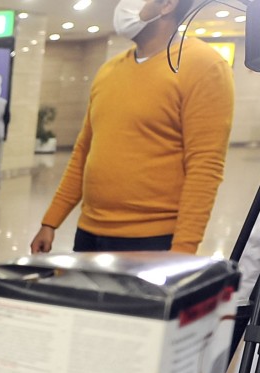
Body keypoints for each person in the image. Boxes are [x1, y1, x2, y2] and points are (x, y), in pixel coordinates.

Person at [30, 0, 233, 255]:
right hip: (89, 233)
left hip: (152, 239)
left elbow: (205, 165)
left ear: (167, 5)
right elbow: (83, 152)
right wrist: (50, 222)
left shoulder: (203, 65)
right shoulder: (109, 70)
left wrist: (183, 250)